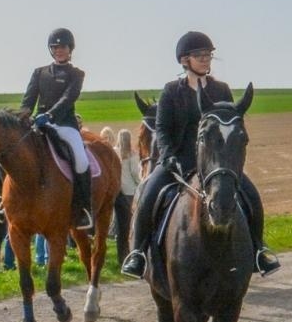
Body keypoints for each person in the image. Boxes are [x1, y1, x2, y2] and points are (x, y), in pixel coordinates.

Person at [120, 31, 280, 278]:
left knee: (250, 195)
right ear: (185, 60)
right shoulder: (171, 91)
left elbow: (231, 126)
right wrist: (168, 155)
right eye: (200, 55)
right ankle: (138, 254)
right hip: (178, 161)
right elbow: (162, 129)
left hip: (215, 163)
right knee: (149, 193)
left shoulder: (221, 90)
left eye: (208, 55)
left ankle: (259, 250)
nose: (206, 59)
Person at [21, 27, 93, 232]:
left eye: (63, 47)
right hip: (39, 124)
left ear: (70, 49)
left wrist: (50, 115)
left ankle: (83, 208)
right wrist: (22, 118)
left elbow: (68, 98)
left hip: (64, 125)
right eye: (55, 47)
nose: (59, 50)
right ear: (50, 50)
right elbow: (28, 100)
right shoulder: (39, 72)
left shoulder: (77, 74)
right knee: (15, 148)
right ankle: (4, 200)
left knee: (81, 159)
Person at [114, 128, 141, 262]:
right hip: (130, 191)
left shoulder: (114, 151)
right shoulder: (132, 154)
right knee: (130, 225)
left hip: (117, 191)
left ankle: (120, 256)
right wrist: (140, 183)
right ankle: (129, 254)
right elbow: (135, 173)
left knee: (120, 225)